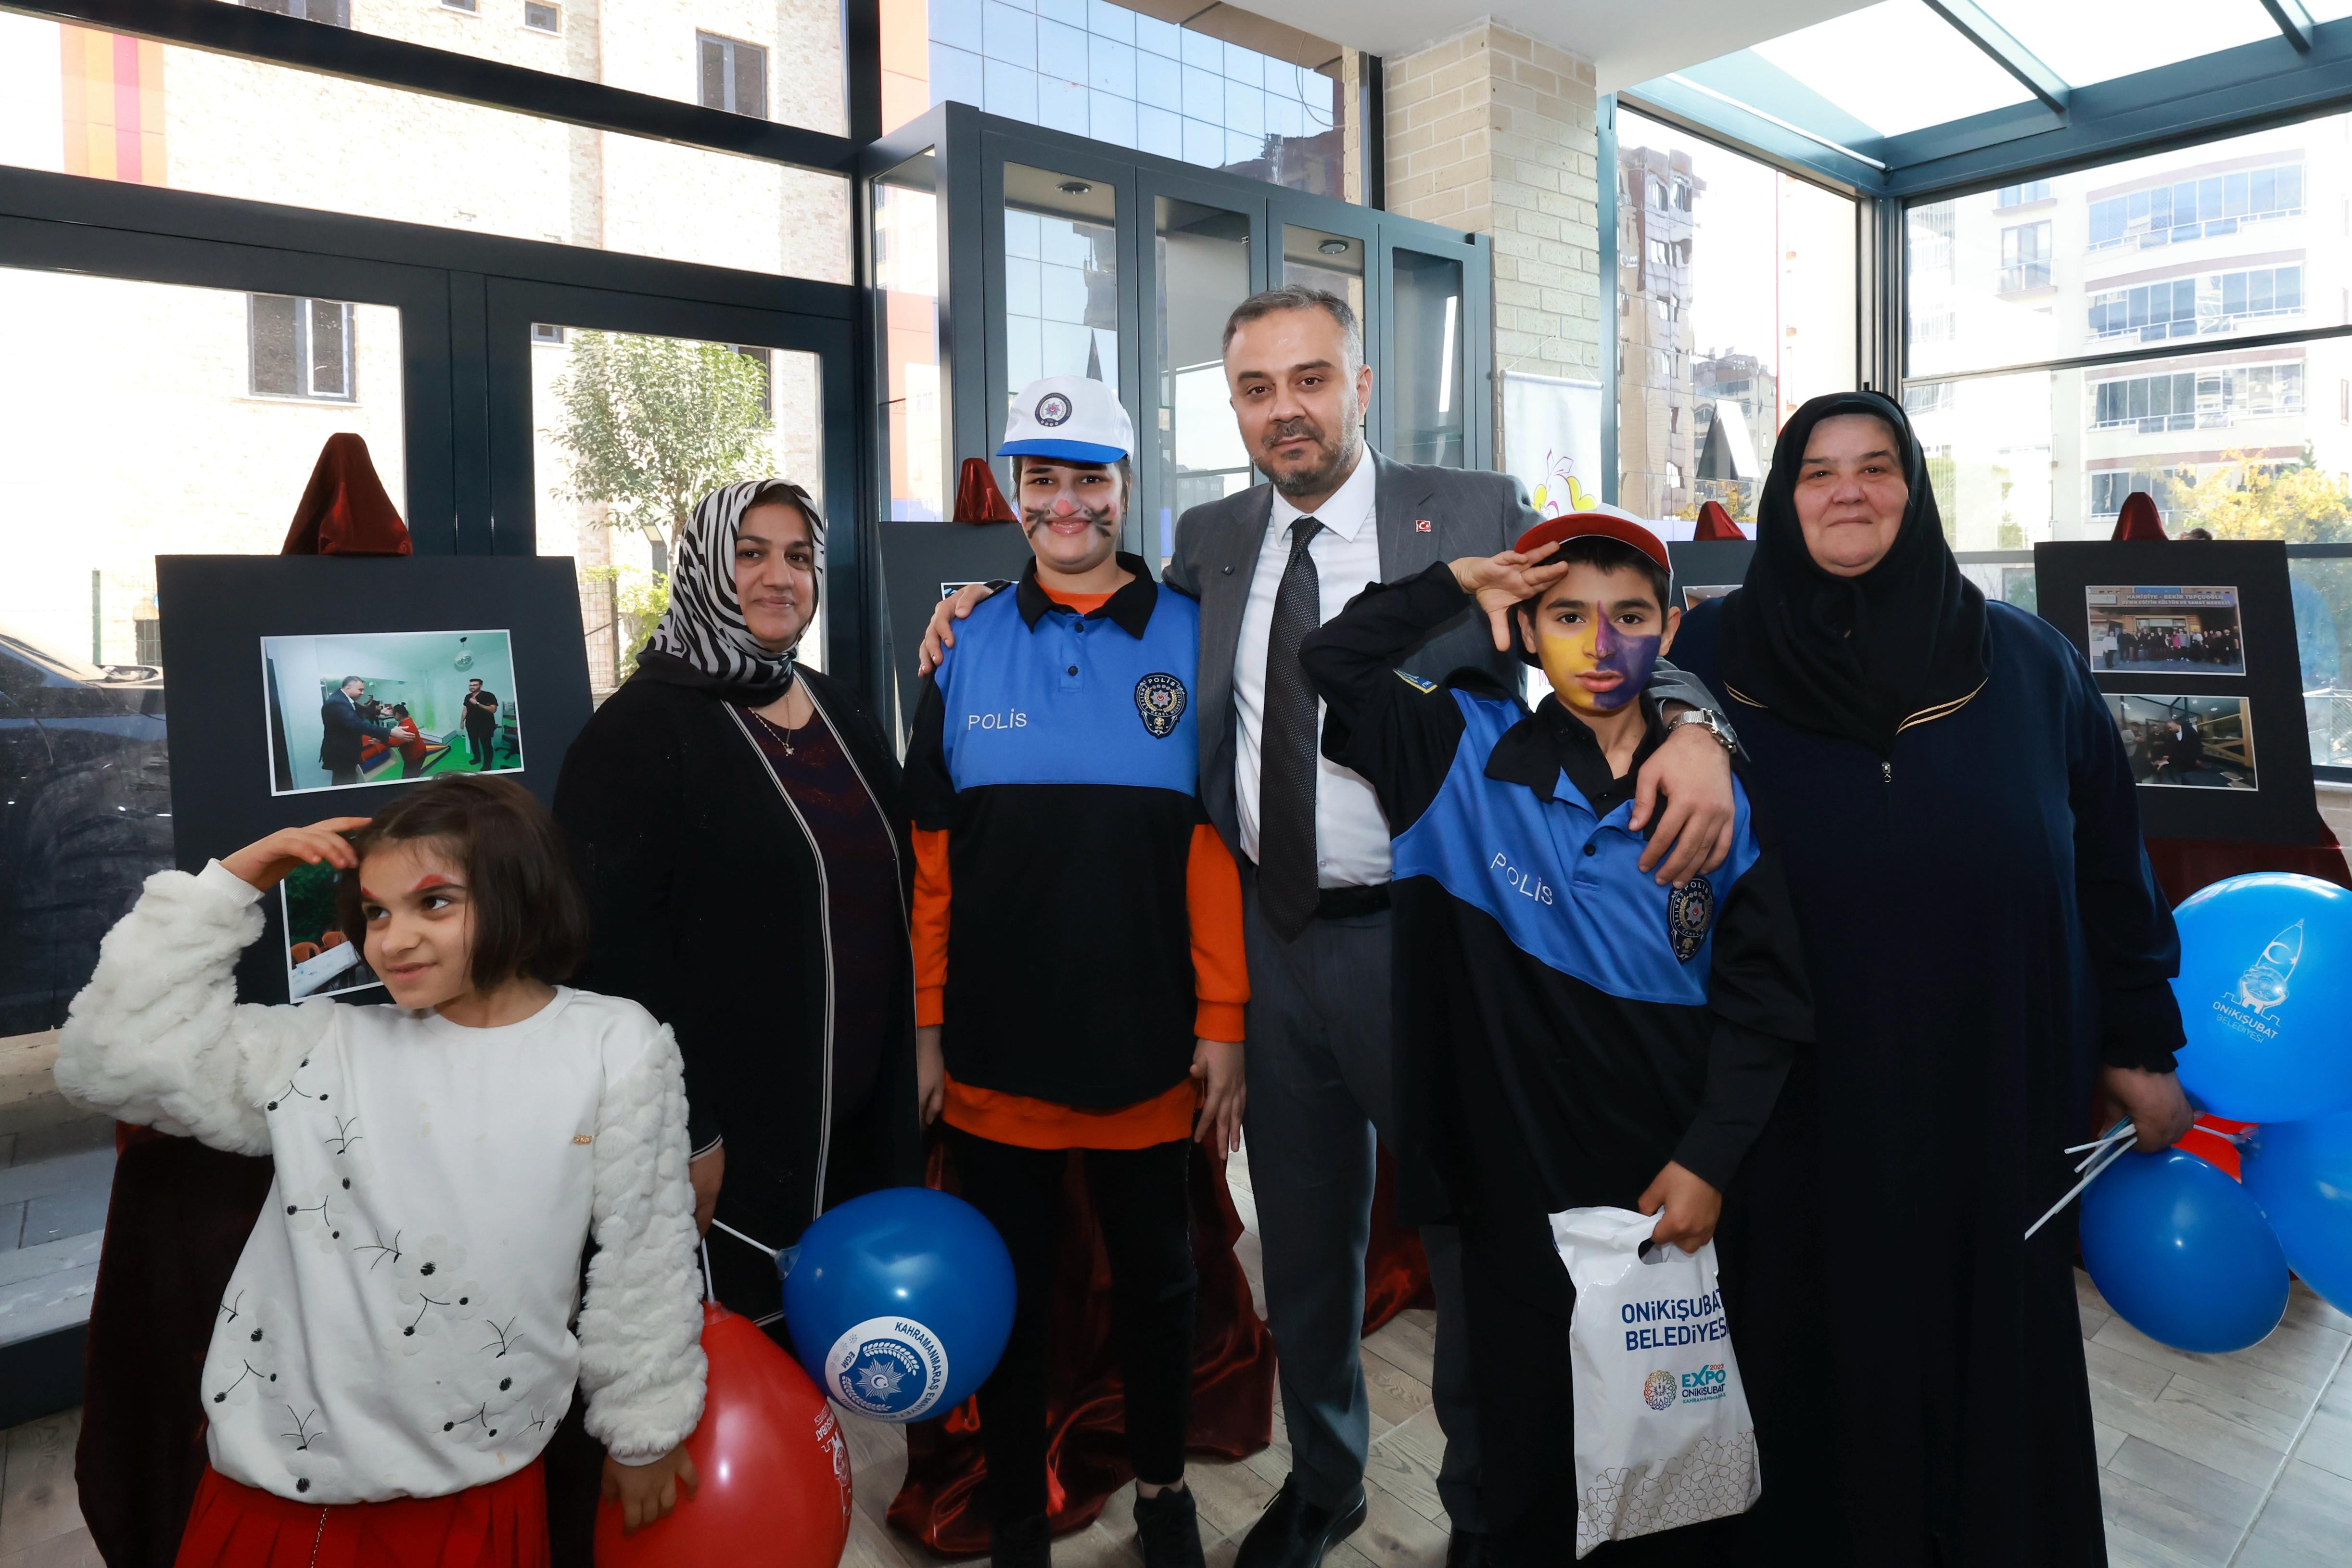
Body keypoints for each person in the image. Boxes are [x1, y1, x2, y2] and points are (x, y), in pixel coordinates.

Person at [921, 286, 1738, 1568]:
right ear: (1233, 408)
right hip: (1271, 933)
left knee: (1467, 1238)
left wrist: (1696, 722)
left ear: (1359, 385)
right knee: (1302, 1247)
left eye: (1308, 379)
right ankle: (1327, 1480)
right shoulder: (1210, 536)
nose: (1283, 409)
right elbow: (1091, 597)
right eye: (1256, 389)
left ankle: (1484, 1505)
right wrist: (973, 602)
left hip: (1436, 936)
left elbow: (1617, 614)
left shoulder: (1468, 510)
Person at [1669, 390, 2193, 1567]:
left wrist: (2139, 1043)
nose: (1846, 492)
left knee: (1984, 1361)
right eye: (1816, 471)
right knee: (1804, 1357)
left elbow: (2110, 867)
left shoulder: (2029, 661)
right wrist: (1682, 713)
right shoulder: (1708, 659)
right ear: (1782, 498)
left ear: (1913, 490)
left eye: (1875, 467)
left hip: (1992, 1090)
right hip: (1793, 1104)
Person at [1299, 512, 1812, 1567]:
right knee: (1518, 1459)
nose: (1601, 644)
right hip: (1504, 1204)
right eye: (1567, 616)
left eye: (1629, 616)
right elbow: (1330, 657)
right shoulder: (1452, 749)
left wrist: (1710, 1158)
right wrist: (1454, 581)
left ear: (1668, 631)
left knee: (1669, 1472)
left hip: (1660, 1199)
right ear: (1524, 631)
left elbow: (1766, 1003)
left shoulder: (1714, 799)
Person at [54, 774, 707, 1560]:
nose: (392, 939)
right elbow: (113, 1062)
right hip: (278, 1485)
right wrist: (226, 888)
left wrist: (645, 1429)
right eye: (375, 911)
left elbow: (646, 1254)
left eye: (435, 902)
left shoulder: (613, 1044)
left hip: (479, 1478)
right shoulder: (321, 1044)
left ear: (522, 892)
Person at [904, 376, 1247, 1568]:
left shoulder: (1195, 637)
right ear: (1013, 491)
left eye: (1088, 477)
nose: (1065, 503)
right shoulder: (961, 643)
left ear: (1124, 486)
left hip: (1145, 1048)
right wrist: (926, 1028)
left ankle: (1162, 1492)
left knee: (1159, 1289)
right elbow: (933, 865)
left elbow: (1212, 851)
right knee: (1011, 1297)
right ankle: (1015, 1512)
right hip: (995, 1048)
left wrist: (1223, 1019)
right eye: (1040, 479)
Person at [551, 479, 922, 1552]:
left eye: (798, 556)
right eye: (750, 553)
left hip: (849, 1113)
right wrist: (690, 1126)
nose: (777, 576)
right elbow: (607, 957)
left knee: (807, 1368)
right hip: (722, 1135)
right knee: (717, 1378)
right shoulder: (637, 732)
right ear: (706, 567)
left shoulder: (840, 708)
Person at [319, 675, 394, 787]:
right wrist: (390, 732)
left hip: (347, 751)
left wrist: (380, 712)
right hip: (341, 754)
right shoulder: (337, 703)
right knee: (343, 784)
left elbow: (361, 709)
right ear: (349, 687)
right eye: (360, 690)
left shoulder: (345, 699)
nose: (362, 693)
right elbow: (357, 725)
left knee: (349, 780)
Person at [463, 677, 501, 769]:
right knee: (474, 743)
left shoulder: (489, 696)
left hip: (486, 725)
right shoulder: (468, 697)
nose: (472, 687)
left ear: (481, 686)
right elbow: (465, 710)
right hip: (471, 724)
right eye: (471, 685)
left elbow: (493, 710)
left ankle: (487, 764)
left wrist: (477, 703)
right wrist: (462, 722)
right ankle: (477, 759)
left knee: (486, 745)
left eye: (475, 685)